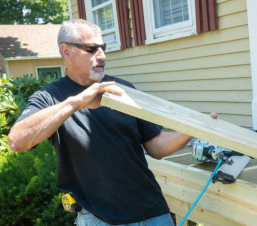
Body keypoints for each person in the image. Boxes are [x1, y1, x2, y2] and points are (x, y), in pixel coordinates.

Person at [8, 19, 217, 226]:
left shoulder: (123, 89)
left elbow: (156, 146)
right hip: (99, 219)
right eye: (91, 49)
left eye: (103, 48)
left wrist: (193, 130)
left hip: (153, 213)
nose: (102, 56)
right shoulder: (49, 98)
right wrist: (78, 102)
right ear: (66, 51)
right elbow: (17, 141)